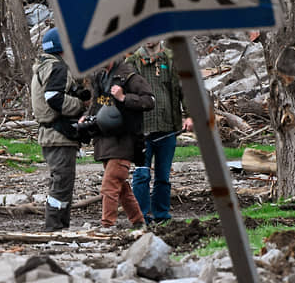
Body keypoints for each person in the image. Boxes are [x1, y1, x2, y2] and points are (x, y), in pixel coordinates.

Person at [83, 56, 154, 231]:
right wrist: (87, 117)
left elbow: (150, 100)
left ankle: (107, 225)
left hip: (125, 140)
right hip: (104, 140)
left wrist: (124, 97)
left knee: (110, 184)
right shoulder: (99, 77)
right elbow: (97, 104)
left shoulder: (129, 76)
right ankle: (138, 222)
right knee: (120, 186)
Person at [126, 40, 193, 225]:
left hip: (167, 128)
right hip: (141, 131)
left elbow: (184, 90)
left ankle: (162, 216)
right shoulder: (131, 62)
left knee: (163, 177)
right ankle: (141, 217)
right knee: (141, 175)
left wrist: (189, 115)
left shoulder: (172, 60)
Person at [31, 27, 91, 231]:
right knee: (62, 183)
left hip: (50, 135)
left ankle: (59, 226)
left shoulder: (43, 67)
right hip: (58, 135)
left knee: (60, 182)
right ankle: (54, 227)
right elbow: (54, 98)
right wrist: (80, 105)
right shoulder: (58, 68)